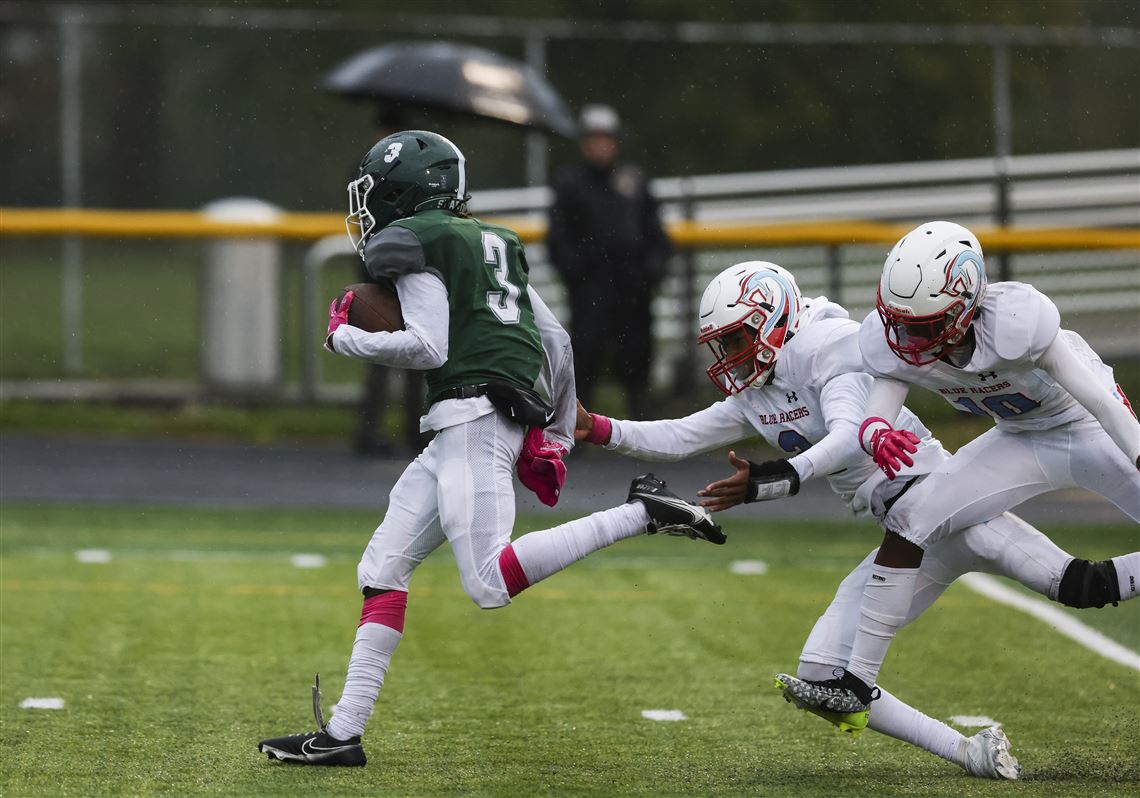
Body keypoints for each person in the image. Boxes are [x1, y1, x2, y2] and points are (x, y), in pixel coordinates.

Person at [257, 130, 724, 767]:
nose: (367, 210)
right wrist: (556, 434)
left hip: (471, 421)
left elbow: (427, 347)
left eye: (374, 194)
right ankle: (342, 735)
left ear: (404, 192)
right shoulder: (491, 242)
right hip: (472, 422)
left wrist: (346, 340)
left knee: (488, 583)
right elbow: (557, 344)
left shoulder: (419, 239)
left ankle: (642, 512)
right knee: (382, 569)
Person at [577, 261, 1136, 778]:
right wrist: (599, 428)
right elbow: (680, 435)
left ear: (774, 319)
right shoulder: (759, 388)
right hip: (905, 536)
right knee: (820, 674)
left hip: (948, 509)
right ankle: (970, 751)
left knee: (1079, 586)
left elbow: (849, 436)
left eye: (737, 338)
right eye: (721, 343)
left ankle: (869, 681)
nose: (729, 354)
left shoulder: (830, 348)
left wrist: (775, 479)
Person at [776, 221, 1140, 723]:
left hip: (1088, 427)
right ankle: (858, 681)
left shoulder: (1018, 320)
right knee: (910, 519)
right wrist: (877, 435)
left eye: (922, 325)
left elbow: (1101, 402)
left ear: (966, 304)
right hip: (1019, 437)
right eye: (899, 322)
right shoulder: (895, 338)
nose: (907, 337)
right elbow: (874, 415)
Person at [547, 104, 671, 419]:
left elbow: (657, 234)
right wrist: (577, 275)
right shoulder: (571, 184)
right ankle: (579, 423)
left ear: (615, 142)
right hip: (591, 290)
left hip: (632, 288)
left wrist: (651, 274)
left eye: (606, 138)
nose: (600, 145)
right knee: (585, 355)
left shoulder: (634, 181)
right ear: (584, 143)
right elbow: (558, 239)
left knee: (637, 355)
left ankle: (641, 424)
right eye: (593, 138)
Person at [353, 106, 427, 456]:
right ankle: (370, 430)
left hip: (409, 275)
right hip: (382, 276)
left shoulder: (416, 178)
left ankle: (416, 429)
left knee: (418, 356)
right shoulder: (368, 173)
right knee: (380, 359)